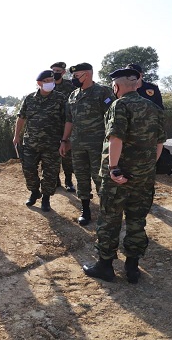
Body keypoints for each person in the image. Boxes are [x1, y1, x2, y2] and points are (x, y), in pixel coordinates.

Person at [82, 68, 166, 283]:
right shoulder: (154, 108)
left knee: (110, 219)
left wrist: (113, 169)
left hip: (118, 177)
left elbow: (115, 139)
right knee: (137, 220)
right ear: (137, 85)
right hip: (144, 177)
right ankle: (132, 268)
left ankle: (105, 266)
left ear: (116, 87)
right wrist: (146, 167)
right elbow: (159, 143)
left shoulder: (119, 105)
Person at [59, 63, 115, 226]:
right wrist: (64, 140)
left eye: (77, 76)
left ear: (87, 75)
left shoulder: (102, 92)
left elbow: (112, 117)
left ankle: (107, 213)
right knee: (81, 177)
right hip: (77, 145)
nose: (73, 79)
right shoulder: (73, 95)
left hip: (98, 145)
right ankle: (86, 210)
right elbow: (69, 120)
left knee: (100, 178)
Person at [13, 70, 66, 211]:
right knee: (28, 169)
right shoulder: (29, 99)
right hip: (31, 142)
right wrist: (16, 135)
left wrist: (65, 140)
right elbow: (21, 117)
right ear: (39, 83)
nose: (51, 83)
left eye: (52, 80)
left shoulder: (60, 99)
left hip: (52, 143)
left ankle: (46, 198)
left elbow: (68, 120)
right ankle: (34, 192)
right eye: (47, 80)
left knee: (50, 173)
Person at [50, 62, 76, 192]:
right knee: (53, 154)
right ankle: (55, 180)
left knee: (66, 154)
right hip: (52, 125)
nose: (55, 72)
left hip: (67, 123)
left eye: (58, 70)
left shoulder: (70, 86)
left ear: (63, 72)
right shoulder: (49, 85)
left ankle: (68, 180)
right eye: (53, 70)